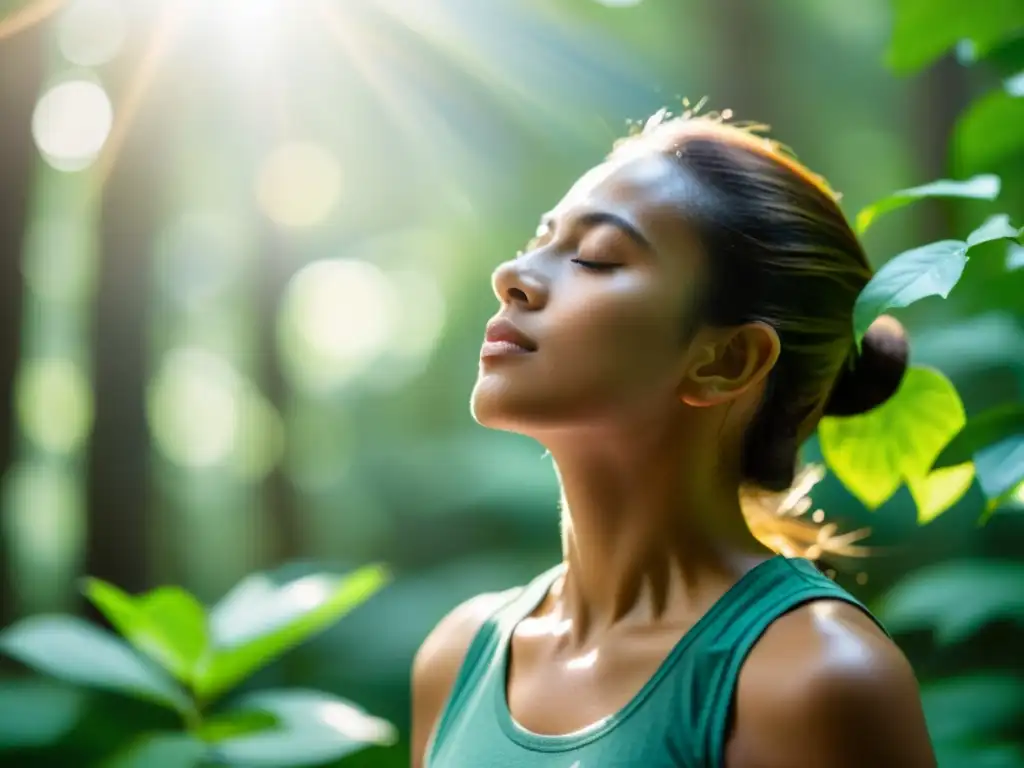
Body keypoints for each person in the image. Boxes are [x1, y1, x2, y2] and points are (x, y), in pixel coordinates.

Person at [411, 111, 937, 767]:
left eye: (594, 257)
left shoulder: (813, 678)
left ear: (727, 362)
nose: (512, 274)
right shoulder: (457, 659)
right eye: (540, 238)